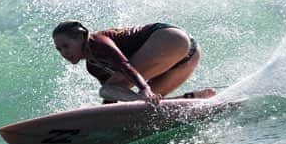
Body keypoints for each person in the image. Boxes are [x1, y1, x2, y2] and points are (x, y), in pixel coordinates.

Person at [52, 20, 216, 106]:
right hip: (189, 53)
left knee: (107, 90)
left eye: (66, 46)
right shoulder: (93, 67)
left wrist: (144, 89)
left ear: (81, 37)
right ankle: (195, 99)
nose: (64, 53)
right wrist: (105, 116)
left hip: (169, 39)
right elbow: (114, 96)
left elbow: (124, 66)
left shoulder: (98, 43)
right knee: (150, 105)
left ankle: (142, 96)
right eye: (59, 49)